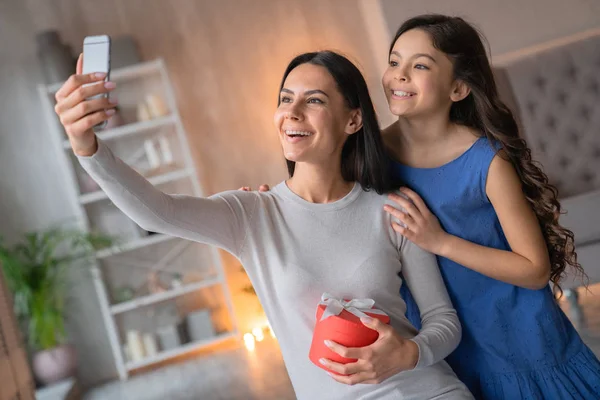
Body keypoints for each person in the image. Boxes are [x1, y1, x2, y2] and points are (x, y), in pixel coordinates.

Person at [53, 50, 473, 400]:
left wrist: (408, 355)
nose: (291, 112)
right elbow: (155, 210)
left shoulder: (392, 209)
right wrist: (86, 146)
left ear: (353, 120)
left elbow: (443, 321)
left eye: (314, 100)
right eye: (285, 99)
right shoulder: (252, 215)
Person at [381, 14, 600, 399]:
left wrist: (441, 241)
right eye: (395, 61)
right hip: (440, 349)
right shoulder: (372, 155)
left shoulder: (486, 161)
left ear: (459, 88)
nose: (399, 75)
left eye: (419, 66)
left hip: (520, 345)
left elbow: (535, 269)